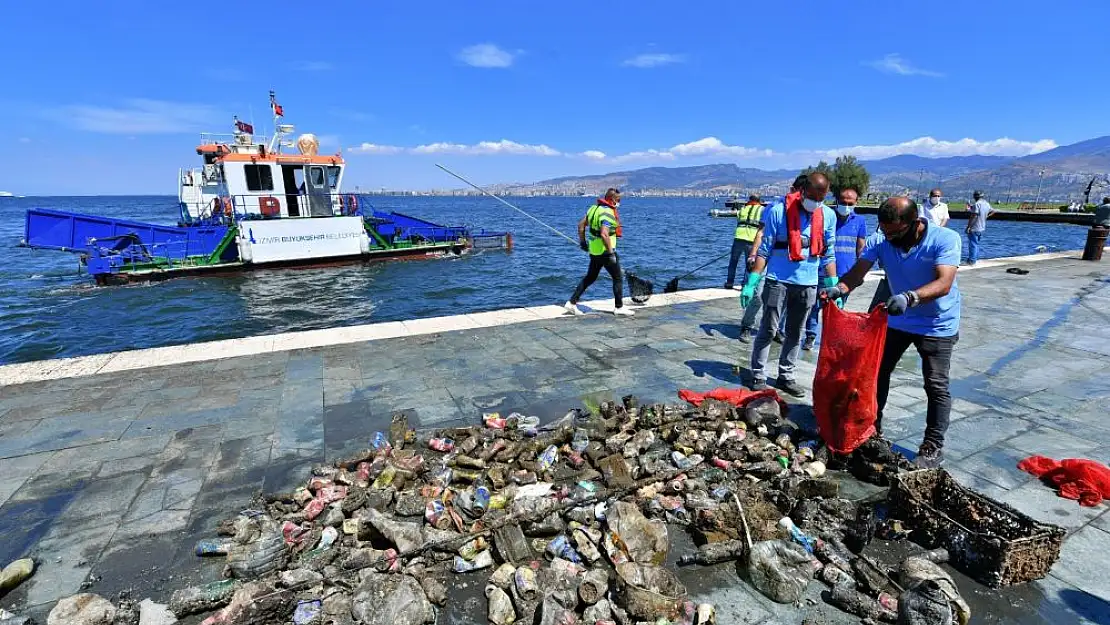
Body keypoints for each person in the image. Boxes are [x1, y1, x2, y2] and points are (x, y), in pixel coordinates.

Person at [819, 196, 961, 468]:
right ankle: (872, 427)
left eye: (895, 232)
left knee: (935, 384)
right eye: (885, 231)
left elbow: (944, 283)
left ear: (915, 223)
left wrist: (910, 297)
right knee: (876, 373)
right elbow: (857, 275)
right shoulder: (881, 241)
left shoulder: (945, 239)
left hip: (937, 323)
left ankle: (932, 445)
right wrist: (839, 288)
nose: (889, 238)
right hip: (898, 321)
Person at [740, 173, 838, 397]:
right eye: (811, 197)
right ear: (802, 192)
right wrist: (752, 281)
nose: (815, 202)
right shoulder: (777, 211)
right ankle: (758, 373)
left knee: (795, 332)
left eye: (820, 199)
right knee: (768, 328)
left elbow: (829, 255)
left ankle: (786, 375)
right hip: (778, 282)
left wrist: (835, 285)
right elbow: (764, 250)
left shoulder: (829, 216)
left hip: (809, 285)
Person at [738, 175, 809, 344]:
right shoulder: (773, 208)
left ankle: (776, 328)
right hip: (766, 256)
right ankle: (746, 325)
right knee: (757, 294)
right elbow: (761, 233)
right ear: (793, 190)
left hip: (787, 262)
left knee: (783, 298)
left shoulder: (809, 211)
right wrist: (753, 255)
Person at [799, 187, 868, 350]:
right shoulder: (827, 217)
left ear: (856, 203)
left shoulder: (860, 221)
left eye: (849, 203)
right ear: (836, 201)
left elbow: (861, 247)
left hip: (847, 274)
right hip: (823, 271)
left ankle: (831, 338)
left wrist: (860, 273)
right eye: (842, 202)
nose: (845, 205)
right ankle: (810, 336)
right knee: (815, 306)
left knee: (837, 308)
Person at [565, 188, 634, 316]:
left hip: (594, 251)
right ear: (612, 199)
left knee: (590, 277)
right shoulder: (607, 212)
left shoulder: (593, 209)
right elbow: (604, 234)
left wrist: (583, 243)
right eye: (618, 200)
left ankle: (572, 303)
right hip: (605, 252)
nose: (619, 203)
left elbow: (580, 226)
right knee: (618, 277)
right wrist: (611, 253)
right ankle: (619, 307)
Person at [724, 195, 765, 290]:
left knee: (733, 262)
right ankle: (745, 284)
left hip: (738, 238)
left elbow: (739, 219)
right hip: (751, 239)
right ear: (759, 201)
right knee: (749, 263)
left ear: (750, 200)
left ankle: (729, 282)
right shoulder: (762, 209)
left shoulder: (743, 209)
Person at [965, 190, 994, 265]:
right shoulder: (986, 204)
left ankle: (972, 260)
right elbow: (993, 211)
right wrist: (985, 216)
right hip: (982, 227)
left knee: (973, 244)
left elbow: (974, 216)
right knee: (976, 244)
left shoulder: (977, 204)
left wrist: (968, 227)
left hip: (974, 228)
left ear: (975, 196)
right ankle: (974, 258)